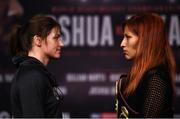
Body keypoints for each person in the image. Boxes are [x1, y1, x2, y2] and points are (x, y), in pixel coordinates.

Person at [115, 13, 176, 118]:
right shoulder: (140, 76)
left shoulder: (156, 78)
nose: (122, 43)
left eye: (128, 37)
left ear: (145, 40)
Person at [10, 14, 64, 118]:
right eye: (56, 38)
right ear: (38, 40)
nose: (61, 44)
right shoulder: (32, 77)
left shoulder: (36, 74)